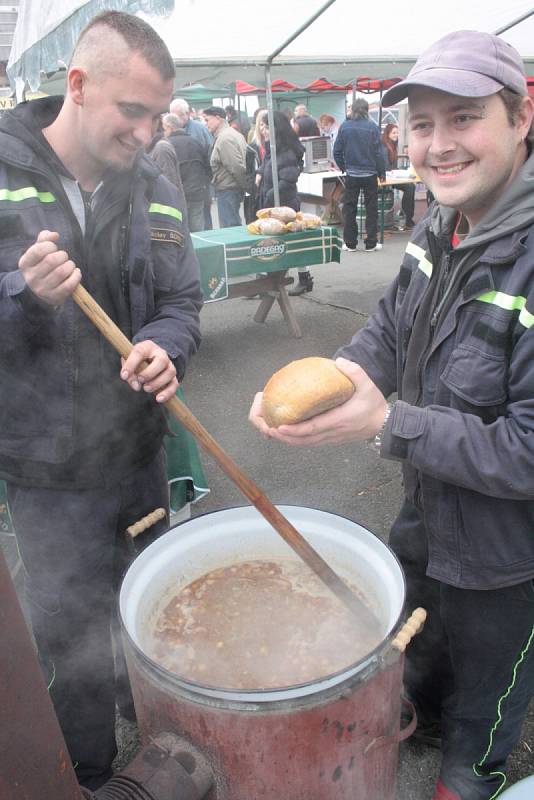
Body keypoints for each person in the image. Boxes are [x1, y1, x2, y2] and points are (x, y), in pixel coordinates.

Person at [249, 29, 534, 800]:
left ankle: (466, 774)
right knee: (415, 630)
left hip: (511, 557)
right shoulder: (440, 225)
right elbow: (389, 324)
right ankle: (419, 714)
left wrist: (388, 424)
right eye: (422, 124)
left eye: (464, 117)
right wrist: (335, 377)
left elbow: (528, 452)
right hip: (427, 506)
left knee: (487, 685)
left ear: (522, 115)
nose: (438, 145)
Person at [0, 10, 202, 791]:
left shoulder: (154, 182)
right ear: (77, 85)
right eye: (133, 111)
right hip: (46, 470)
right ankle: (84, 772)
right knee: (70, 630)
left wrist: (165, 344)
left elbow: (182, 301)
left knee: (151, 614)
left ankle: (157, 730)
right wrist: (21, 295)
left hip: (138, 455)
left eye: (159, 115)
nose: (150, 133)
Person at [333, 98, 386, 252]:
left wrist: (344, 167)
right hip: (370, 174)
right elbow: (379, 153)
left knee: (349, 209)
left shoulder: (345, 127)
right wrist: (381, 172)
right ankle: (371, 243)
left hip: (352, 174)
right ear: (367, 110)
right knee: (371, 209)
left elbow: (336, 151)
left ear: (353, 110)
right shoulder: (373, 127)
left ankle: (350, 243)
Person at [160, 112, 212, 232]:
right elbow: (208, 167)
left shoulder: (166, 146)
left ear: (169, 127)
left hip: (178, 195)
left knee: (180, 231)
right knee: (198, 231)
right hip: (198, 193)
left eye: (163, 128)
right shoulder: (195, 142)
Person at [170, 97, 213, 229]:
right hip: (180, 189)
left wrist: (206, 181)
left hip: (200, 188)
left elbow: (210, 156)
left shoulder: (200, 129)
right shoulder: (169, 134)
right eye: (172, 116)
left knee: (203, 222)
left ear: (187, 114)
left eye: (177, 116)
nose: (174, 120)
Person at [203, 105, 248, 228]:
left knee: (230, 229)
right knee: (231, 225)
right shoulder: (231, 134)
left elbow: (236, 167)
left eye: (207, 120)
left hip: (229, 189)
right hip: (230, 188)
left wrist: (245, 186)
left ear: (218, 118)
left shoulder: (225, 138)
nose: (206, 124)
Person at [381, 122, 416, 229]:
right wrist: (399, 173)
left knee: (411, 186)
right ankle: (408, 219)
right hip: (385, 178)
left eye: (397, 132)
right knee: (410, 187)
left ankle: (408, 217)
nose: (396, 135)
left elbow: (392, 167)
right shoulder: (385, 147)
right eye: (394, 133)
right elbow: (386, 167)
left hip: (391, 177)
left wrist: (400, 172)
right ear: (388, 134)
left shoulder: (392, 146)